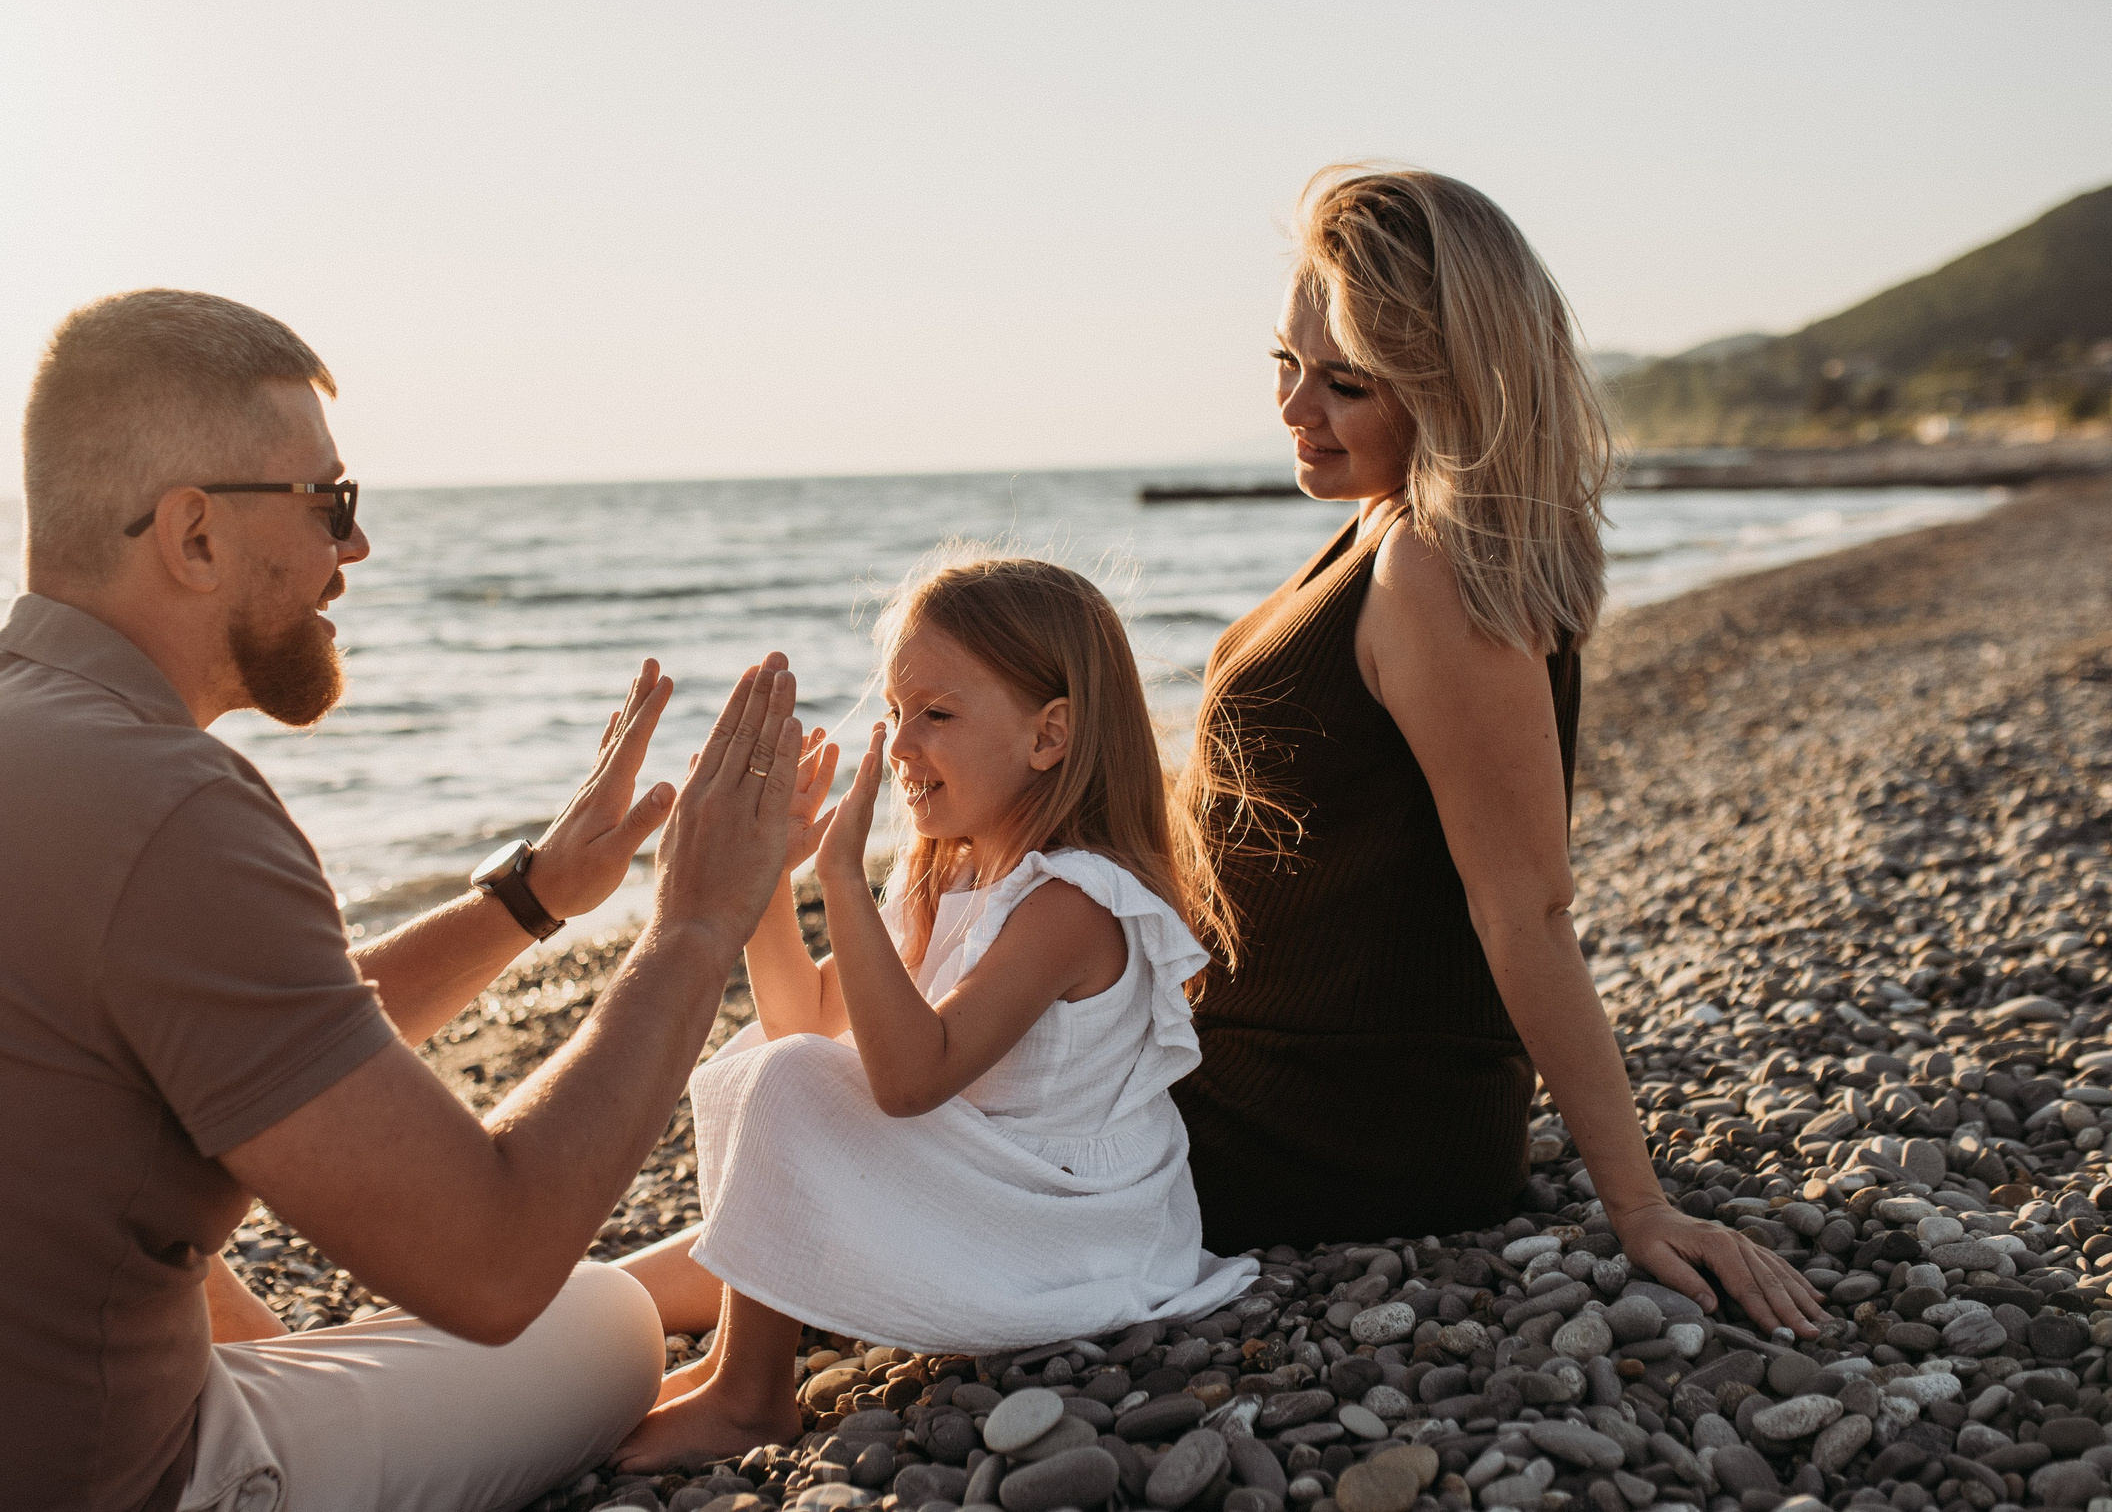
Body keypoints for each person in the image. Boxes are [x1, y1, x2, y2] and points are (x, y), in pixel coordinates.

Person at [0, 289, 815, 1512]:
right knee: (597, 1319)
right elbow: (491, 1260)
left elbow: (253, 1037)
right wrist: (694, 922)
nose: (356, 548)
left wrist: (527, 897)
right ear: (193, 534)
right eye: (330, 503)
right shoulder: (168, 800)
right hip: (25, 1483)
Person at [1168, 167, 1826, 1336]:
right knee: (863, 1079)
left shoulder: (1425, 569)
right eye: (1283, 362)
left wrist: (1639, 1205)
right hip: (1252, 1067)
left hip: (1330, 1121)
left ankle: (745, 1366)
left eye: (1343, 381)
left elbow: (1525, 910)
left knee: (869, 1116)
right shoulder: (1377, 528)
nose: (1292, 407)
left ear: (1451, 387)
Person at [618, 557, 1256, 1471]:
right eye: (894, 712)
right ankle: (701, 1345)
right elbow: (806, 1015)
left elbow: (913, 1077)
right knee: (774, 1057)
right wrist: (771, 886)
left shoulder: (1073, 902)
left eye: (938, 714)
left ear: (1051, 735)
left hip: (1062, 1232)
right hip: (986, 1185)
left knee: (787, 1079)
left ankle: (749, 1396)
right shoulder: (953, 875)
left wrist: (839, 878)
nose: (902, 743)